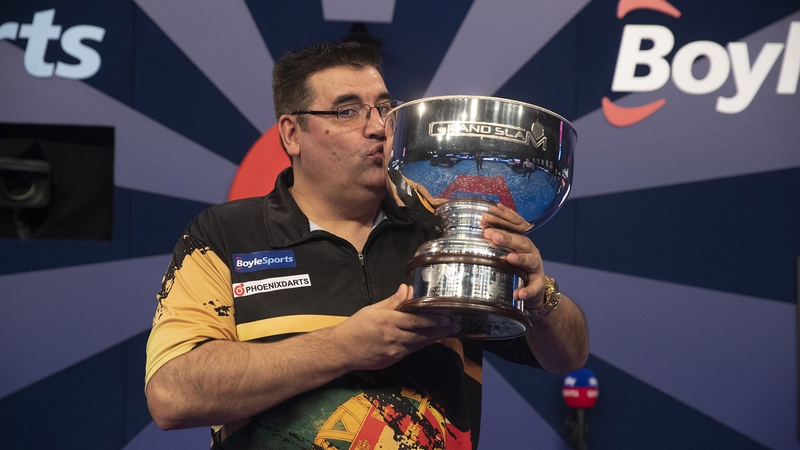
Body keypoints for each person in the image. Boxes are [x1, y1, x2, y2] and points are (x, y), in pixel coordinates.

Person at [144, 42, 588, 449]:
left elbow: (566, 357)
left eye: (384, 108)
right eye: (347, 111)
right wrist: (343, 347)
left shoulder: (443, 235)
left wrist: (541, 293)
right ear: (291, 134)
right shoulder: (225, 236)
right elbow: (172, 395)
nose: (378, 127)